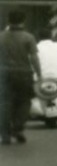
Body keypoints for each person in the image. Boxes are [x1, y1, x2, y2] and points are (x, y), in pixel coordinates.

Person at [1, 12, 42, 145]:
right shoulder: (28, 37)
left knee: (5, 103)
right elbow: (34, 58)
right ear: (23, 21)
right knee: (24, 102)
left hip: (4, 74)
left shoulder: (1, 37)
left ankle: (5, 133)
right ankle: (18, 128)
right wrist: (39, 74)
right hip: (24, 74)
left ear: (8, 20)